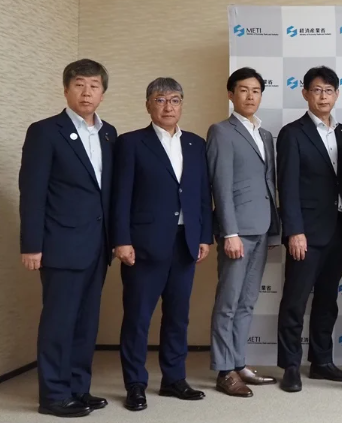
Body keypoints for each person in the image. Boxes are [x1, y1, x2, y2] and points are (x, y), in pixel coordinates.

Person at [20, 59, 116, 417]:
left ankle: (78, 388)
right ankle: (54, 396)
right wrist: (31, 245)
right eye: (79, 84)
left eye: (94, 86)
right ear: (66, 90)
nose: (86, 92)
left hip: (98, 245)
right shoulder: (45, 131)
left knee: (86, 323)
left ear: (102, 93)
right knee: (59, 323)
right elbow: (32, 192)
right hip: (60, 245)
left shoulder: (109, 134)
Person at [111, 78, 212, 411]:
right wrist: (121, 240)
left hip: (185, 243)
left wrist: (204, 236)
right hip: (143, 246)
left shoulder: (195, 144)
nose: (168, 106)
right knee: (138, 318)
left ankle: (173, 379)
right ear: (148, 104)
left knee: (178, 317)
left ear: (182, 104)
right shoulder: (131, 143)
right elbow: (120, 196)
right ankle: (135, 384)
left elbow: (202, 195)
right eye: (160, 99)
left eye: (175, 100)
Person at [275, 66, 342, 392]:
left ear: (337, 94)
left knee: (327, 299)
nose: (323, 96)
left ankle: (321, 362)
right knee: (295, 300)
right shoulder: (292, 133)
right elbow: (287, 186)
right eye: (317, 90)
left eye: (329, 90)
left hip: (339, 229)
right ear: (306, 93)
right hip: (306, 232)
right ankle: (291, 366)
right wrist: (294, 231)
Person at [207, 67, 280, 397]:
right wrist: (229, 232)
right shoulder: (221, 131)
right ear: (231, 94)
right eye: (243, 90)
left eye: (256, 90)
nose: (250, 96)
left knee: (247, 301)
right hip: (237, 230)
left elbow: (268, 184)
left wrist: (274, 229)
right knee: (228, 300)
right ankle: (224, 370)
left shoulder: (265, 135)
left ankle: (238, 362)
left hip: (262, 227)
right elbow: (220, 186)